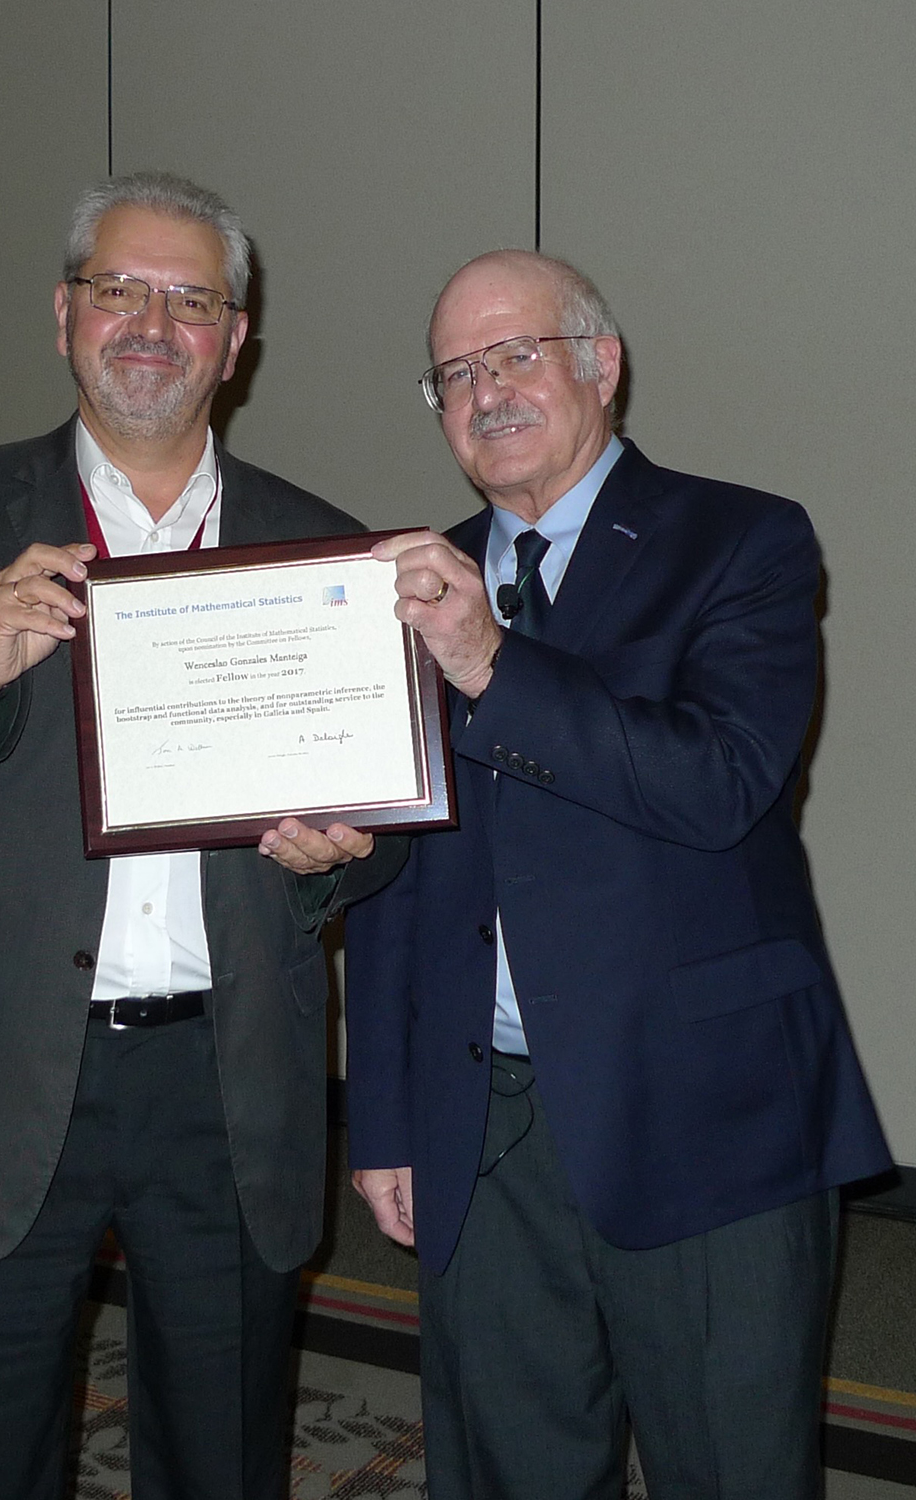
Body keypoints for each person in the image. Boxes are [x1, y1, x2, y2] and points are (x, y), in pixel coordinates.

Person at [0, 170, 405, 1500]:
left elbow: (389, 833)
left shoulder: (321, 549)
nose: (152, 324)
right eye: (120, 289)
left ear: (235, 341)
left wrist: (342, 858)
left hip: (228, 1082)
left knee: (222, 1459)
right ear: (64, 315)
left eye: (191, 301)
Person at [345, 248, 891, 1500]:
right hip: (482, 1124)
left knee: (731, 1470)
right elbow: (398, 887)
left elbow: (721, 784)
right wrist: (385, 1117)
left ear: (601, 364)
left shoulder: (742, 539)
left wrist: (491, 664)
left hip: (705, 1112)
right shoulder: (403, 584)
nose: (486, 392)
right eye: (453, 374)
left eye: (515, 355)